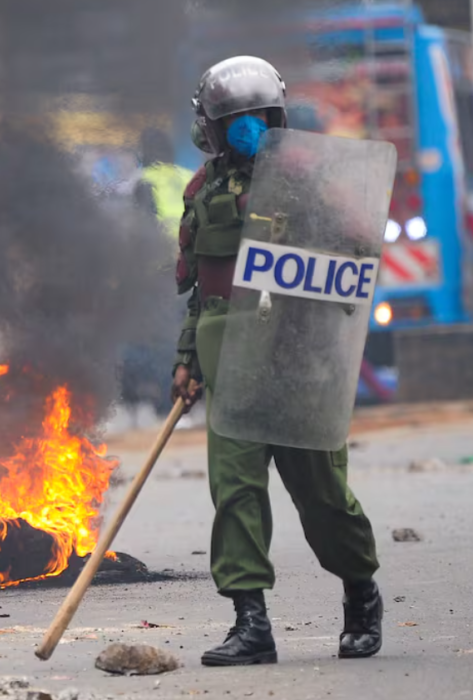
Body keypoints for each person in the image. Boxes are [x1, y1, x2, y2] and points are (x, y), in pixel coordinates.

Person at [171, 56, 383, 667]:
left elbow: (356, 252)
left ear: (277, 116)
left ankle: (360, 593)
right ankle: (251, 622)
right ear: (210, 126)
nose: (248, 129)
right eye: (234, 119)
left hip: (300, 365)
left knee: (323, 496)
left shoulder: (310, 181)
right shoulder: (203, 191)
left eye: (258, 117)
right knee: (234, 493)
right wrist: (188, 357)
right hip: (232, 366)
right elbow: (202, 288)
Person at [133, 127, 193, 245]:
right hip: (195, 242)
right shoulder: (190, 175)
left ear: (143, 152)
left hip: (167, 246)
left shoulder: (143, 179)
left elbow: (146, 223)